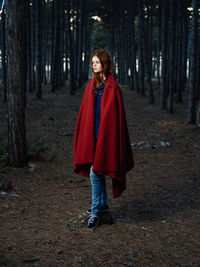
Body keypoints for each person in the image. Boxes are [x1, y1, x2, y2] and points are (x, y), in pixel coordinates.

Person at [74, 49, 134, 230]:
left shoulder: (113, 88)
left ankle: (94, 213)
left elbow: (116, 119)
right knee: (97, 171)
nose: (94, 65)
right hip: (92, 135)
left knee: (95, 171)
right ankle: (104, 208)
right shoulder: (91, 85)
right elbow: (85, 114)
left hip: (106, 137)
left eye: (97, 62)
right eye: (92, 62)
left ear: (105, 64)